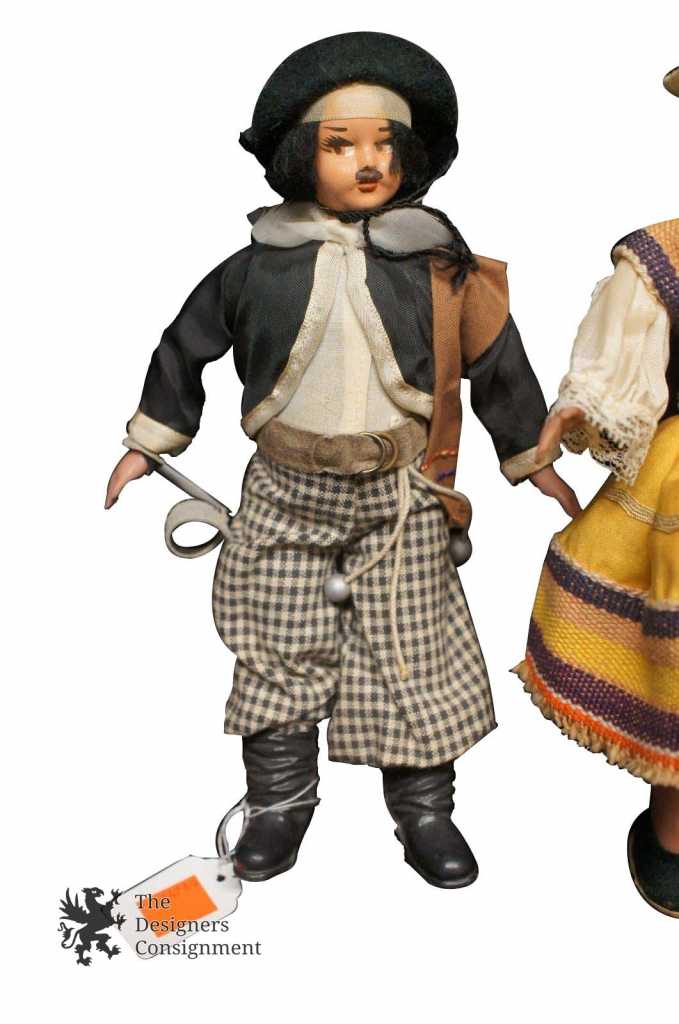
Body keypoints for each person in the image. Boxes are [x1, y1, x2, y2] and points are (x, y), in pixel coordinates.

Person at [106, 32, 576, 889]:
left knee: (414, 651)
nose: (367, 163)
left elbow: (498, 362)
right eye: (339, 144)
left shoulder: (443, 269)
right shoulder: (254, 268)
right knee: (278, 648)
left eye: (384, 145)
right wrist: (149, 442)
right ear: (300, 156)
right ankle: (278, 805)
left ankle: (424, 812)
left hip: (402, 495)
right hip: (285, 492)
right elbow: (184, 346)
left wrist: (528, 454)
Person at [517, 65, 679, 918]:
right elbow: (618, 361)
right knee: (672, 670)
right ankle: (675, 827)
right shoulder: (664, 256)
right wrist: (581, 406)